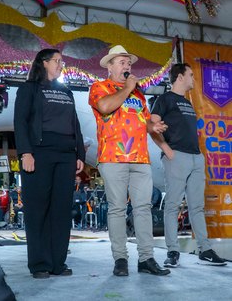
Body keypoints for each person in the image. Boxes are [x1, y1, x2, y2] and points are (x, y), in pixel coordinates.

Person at [89, 45, 170, 276]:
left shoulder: (138, 95)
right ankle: (120, 259)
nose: (127, 66)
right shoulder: (100, 87)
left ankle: (146, 258)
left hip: (140, 157)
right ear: (110, 66)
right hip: (113, 157)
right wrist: (127, 88)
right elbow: (105, 107)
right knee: (117, 208)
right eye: (122, 62)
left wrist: (153, 126)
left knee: (143, 208)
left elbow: (144, 122)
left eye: (129, 63)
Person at [14, 48, 85, 279]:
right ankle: (40, 264)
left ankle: (58, 263)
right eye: (57, 61)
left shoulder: (67, 92)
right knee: (38, 210)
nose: (61, 64)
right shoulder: (29, 89)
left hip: (66, 155)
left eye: (62, 61)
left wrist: (80, 155)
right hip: (39, 154)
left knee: (62, 210)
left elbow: (75, 124)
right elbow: (20, 122)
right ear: (43, 63)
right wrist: (25, 152)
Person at [151, 63, 226, 267]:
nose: (194, 78)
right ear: (180, 77)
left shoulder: (187, 102)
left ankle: (205, 250)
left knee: (197, 207)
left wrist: (199, 156)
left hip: (195, 158)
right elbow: (152, 125)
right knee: (172, 206)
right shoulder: (164, 99)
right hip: (177, 157)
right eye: (191, 75)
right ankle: (173, 251)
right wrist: (166, 149)